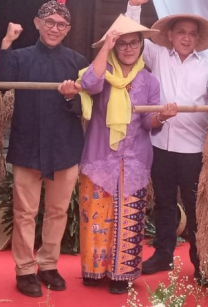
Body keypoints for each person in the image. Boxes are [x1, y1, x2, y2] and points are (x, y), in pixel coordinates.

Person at [124, 0, 208, 280]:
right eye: (180, 32)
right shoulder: (157, 57)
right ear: (170, 35)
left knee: (195, 207)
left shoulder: (207, 67)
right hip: (160, 144)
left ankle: (199, 261)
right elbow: (134, 36)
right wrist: (133, 6)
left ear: (197, 39)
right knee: (165, 203)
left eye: (191, 34)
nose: (186, 37)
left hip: (194, 149)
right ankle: (163, 255)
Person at [0, 1, 87, 297]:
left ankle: (48, 264)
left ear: (68, 29)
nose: (54, 28)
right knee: (24, 213)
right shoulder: (20, 57)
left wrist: (73, 98)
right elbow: (0, 83)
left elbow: (89, 104)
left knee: (58, 211)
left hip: (65, 147)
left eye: (61, 24)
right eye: (49, 22)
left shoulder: (77, 60)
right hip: (28, 144)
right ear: (36, 22)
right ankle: (24, 269)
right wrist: (7, 42)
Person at [77, 15, 165, 294]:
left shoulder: (149, 82)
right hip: (100, 156)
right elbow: (89, 84)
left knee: (130, 216)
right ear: (114, 47)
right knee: (95, 215)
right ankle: (94, 270)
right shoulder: (103, 74)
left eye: (134, 43)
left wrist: (161, 118)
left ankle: (122, 275)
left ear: (141, 45)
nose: (128, 49)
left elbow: (148, 123)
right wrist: (105, 46)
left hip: (135, 159)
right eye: (122, 44)